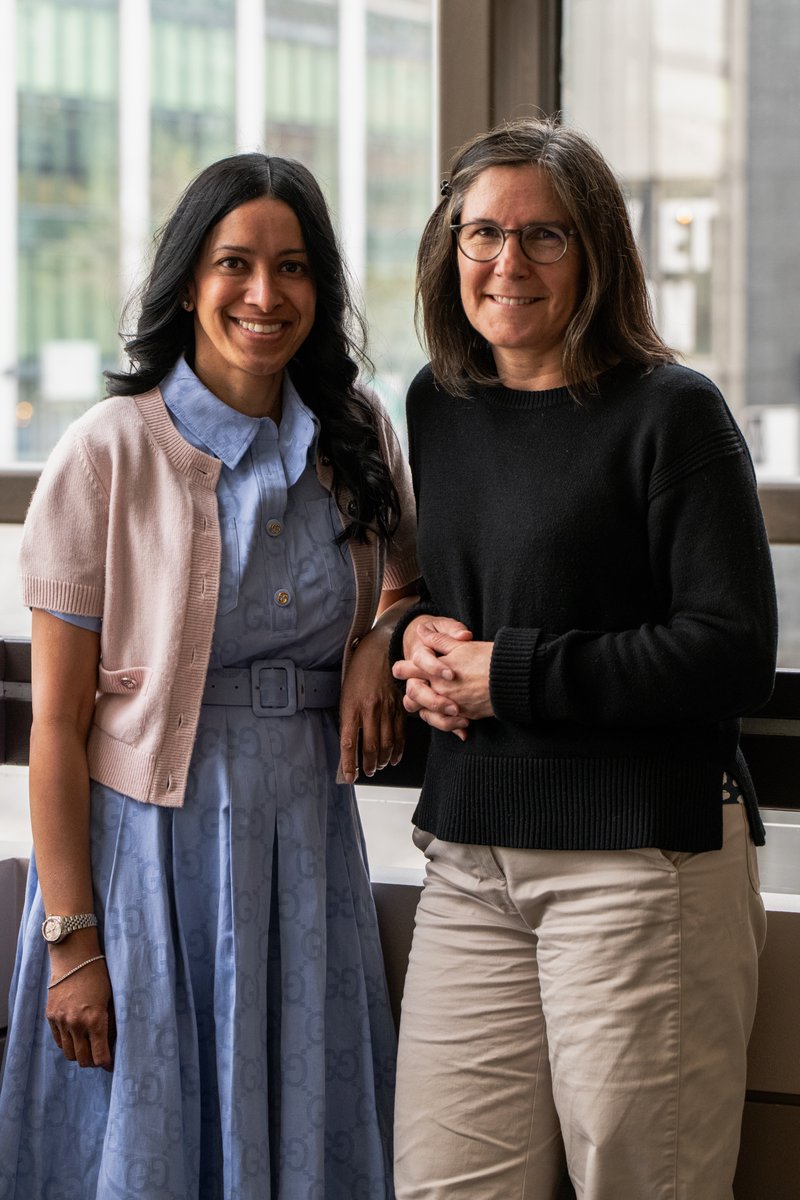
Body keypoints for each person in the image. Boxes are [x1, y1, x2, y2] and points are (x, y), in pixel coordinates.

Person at [0, 152, 418, 1198]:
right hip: (143, 868)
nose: (263, 295)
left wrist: (379, 638)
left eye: (291, 268)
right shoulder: (106, 453)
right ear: (189, 278)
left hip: (306, 859)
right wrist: (72, 944)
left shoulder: (361, 437)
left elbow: (412, 583)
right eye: (234, 263)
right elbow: (56, 728)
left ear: (319, 291)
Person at [389, 118, 777, 1200]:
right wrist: (408, 633)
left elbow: (731, 650)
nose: (506, 263)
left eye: (543, 236)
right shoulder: (438, 405)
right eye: (481, 234)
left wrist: (504, 675)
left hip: (636, 864)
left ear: (596, 250)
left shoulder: (671, 413)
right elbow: (456, 593)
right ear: (447, 249)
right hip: (469, 856)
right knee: (441, 1186)